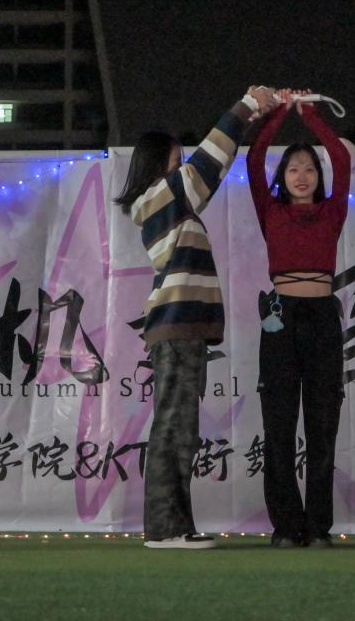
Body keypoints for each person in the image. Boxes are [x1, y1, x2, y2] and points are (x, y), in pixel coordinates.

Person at [115, 84, 277, 549]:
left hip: (181, 329)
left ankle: (174, 526)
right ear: (158, 164)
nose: (183, 163)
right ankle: (165, 529)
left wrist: (251, 117)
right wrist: (246, 106)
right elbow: (210, 163)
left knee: (179, 427)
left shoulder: (164, 200)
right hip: (176, 328)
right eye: (176, 157)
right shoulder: (160, 198)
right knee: (175, 426)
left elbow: (209, 167)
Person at [246, 89, 352, 548]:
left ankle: (318, 526)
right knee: (279, 424)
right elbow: (253, 160)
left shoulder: (332, 211)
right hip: (280, 317)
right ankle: (286, 527)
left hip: (322, 316)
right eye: (293, 168)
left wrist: (308, 114)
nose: (302, 175)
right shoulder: (270, 210)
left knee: (323, 423)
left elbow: (341, 159)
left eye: (309, 168)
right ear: (282, 177)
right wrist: (276, 114)